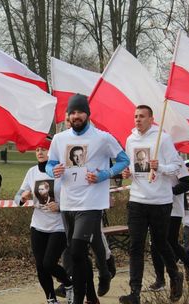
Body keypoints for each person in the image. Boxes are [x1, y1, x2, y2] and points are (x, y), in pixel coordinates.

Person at [46, 94, 129, 304]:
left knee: (76, 251)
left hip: (92, 203)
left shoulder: (102, 138)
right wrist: (52, 169)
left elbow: (124, 159)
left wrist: (105, 174)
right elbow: (50, 164)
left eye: (80, 112)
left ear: (88, 114)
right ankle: (92, 296)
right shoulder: (59, 138)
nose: (76, 116)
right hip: (68, 202)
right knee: (77, 255)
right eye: (72, 112)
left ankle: (79, 299)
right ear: (68, 116)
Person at [120, 105, 184, 304]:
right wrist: (127, 172)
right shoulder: (130, 140)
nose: (137, 120)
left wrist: (161, 167)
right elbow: (131, 164)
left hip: (160, 202)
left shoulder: (162, 139)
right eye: (135, 116)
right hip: (137, 200)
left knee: (160, 243)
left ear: (151, 119)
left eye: (142, 116)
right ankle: (135, 293)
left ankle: (175, 275)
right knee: (136, 246)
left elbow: (177, 166)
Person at [15, 145, 74, 304]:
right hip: (38, 226)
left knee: (49, 263)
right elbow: (17, 198)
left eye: (44, 149)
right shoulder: (32, 172)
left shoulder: (61, 172)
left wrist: (60, 207)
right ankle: (51, 298)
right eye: (37, 150)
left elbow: (75, 199)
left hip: (58, 227)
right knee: (40, 266)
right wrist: (23, 197)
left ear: (53, 151)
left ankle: (69, 284)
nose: (40, 152)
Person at [148, 161, 189, 291]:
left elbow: (187, 183)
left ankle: (188, 261)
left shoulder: (177, 161)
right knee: (154, 243)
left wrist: (170, 191)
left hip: (173, 208)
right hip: (153, 206)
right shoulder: (152, 156)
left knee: (170, 241)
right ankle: (160, 280)